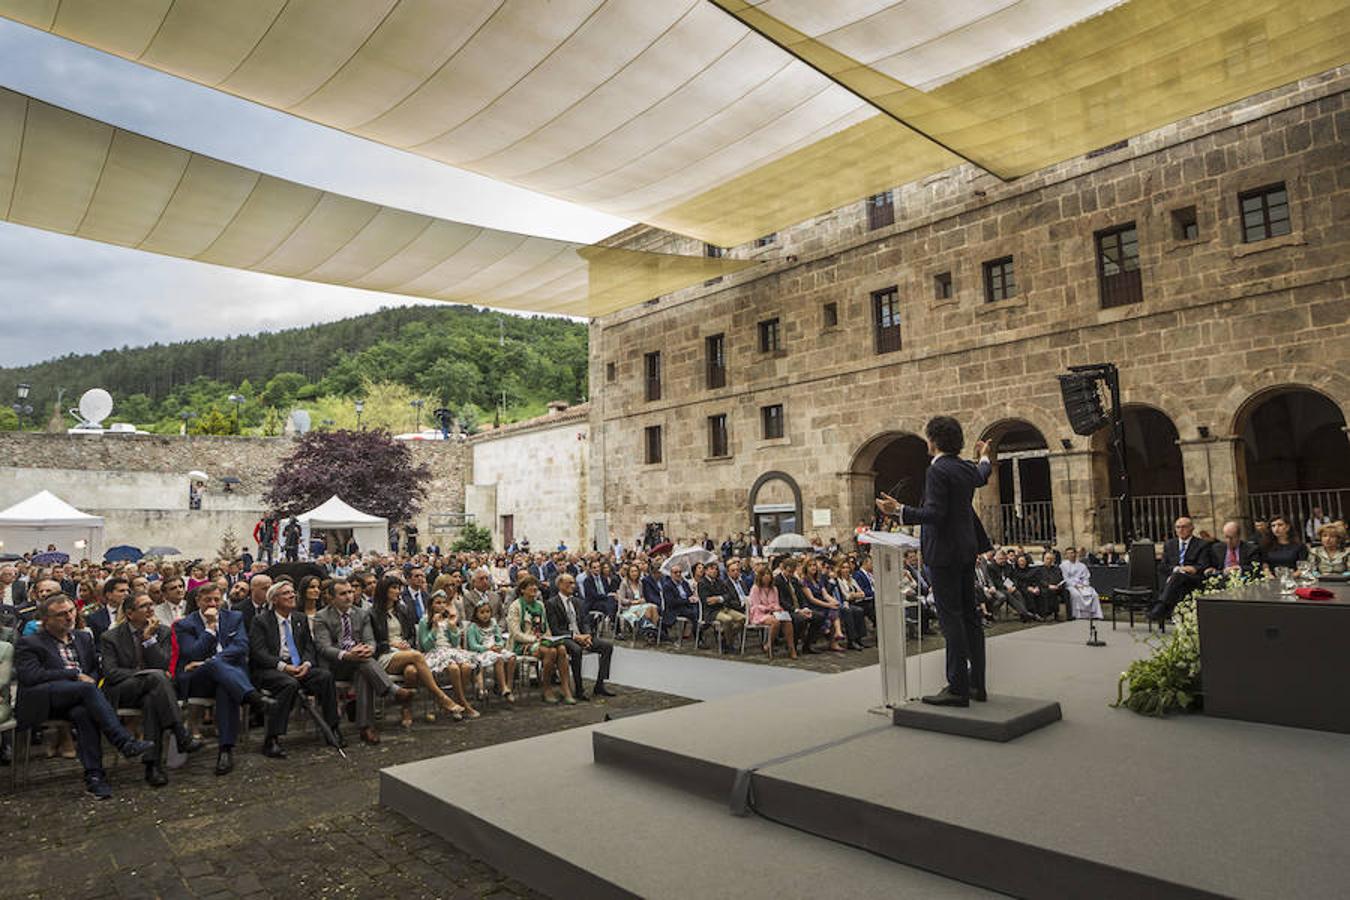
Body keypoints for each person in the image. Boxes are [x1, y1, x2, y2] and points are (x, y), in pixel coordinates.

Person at [877, 417, 992, 706]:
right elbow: (982, 474)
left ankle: (957, 688)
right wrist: (985, 456)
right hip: (966, 550)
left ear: (933, 441)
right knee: (970, 617)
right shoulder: (965, 468)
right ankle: (977, 683)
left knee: (950, 618)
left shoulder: (938, 470)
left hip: (944, 554)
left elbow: (935, 514)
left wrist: (899, 510)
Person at [16, 594, 156, 798]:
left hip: (80, 698)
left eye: (71, 611)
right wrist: (72, 675)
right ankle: (123, 742)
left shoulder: (83, 637)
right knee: (88, 690)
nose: (69, 617)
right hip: (45, 697)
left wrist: (85, 678)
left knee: (84, 712)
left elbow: (93, 670)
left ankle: (94, 777)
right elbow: (30, 676)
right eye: (61, 614)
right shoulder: (30, 642)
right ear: (46, 619)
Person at [100, 592, 205, 786]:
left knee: (152, 701)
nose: (150, 609)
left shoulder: (162, 632)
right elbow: (111, 673)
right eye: (144, 606)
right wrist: (146, 675)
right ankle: (179, 731)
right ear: (130, 613)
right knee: (156, 678)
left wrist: (149, 640)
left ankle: (153, 766)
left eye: (151, 605)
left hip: (155, 692)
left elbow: (163, 664)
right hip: (123, 690)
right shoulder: (111, 637)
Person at [173, 582, 269, 776]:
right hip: (199, 680)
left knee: (225, 688)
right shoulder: (185, 624)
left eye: (217, 599)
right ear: (198, 600)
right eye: (208, 600)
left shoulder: (234, 617)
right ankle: (252, 697)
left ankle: (225, 750)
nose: (213, 603)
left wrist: (212, 661)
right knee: (216, 669)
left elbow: (241, 646)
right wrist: (209, 628)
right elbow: (192, 652)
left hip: (229, 678)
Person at [312, 579, 415, 743]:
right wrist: (347, 654)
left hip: (360, 661)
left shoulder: (361, 613)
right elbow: (324, 648)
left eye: (350, 592)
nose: (348, 597)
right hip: (336, 664)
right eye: (343, 594)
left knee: (363, 670)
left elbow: (370, 641)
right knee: (363, 663)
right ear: (331, 598)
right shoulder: (321, 617)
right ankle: (393, 691)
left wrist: (368, 649)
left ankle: (366, 727)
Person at [249, 580, 341, 758]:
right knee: (288, 684)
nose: (292, 596)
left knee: (325, 676)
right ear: (274, 599)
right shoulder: (261, 621)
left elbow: (309, 646)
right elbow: (258, 653)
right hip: (271, 669)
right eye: (286, 593)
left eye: (292, 592)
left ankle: (333, 728)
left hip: (299, 665)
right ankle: (272, 739)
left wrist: (306, 664)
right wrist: (284, 667)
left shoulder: (300, 618)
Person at [369, 576, 465, 726]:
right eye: (393, 588)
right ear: (384, 590)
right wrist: (390, 644)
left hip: (405, 654)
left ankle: (406, 710)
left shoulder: (401, 609)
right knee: (416, 655)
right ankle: (441, 697)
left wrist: (406, 644)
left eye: (398, 588)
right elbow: (371, 642)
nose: (397, 591)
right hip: (385, 655)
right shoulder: (372, 613)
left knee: (411, 671)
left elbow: (410, 636)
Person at [546, 574, 616, 700]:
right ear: (560, 585)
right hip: (565, 637)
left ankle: (600, 685)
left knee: (607, 647)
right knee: (576, 650)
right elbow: (555, 630)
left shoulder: (577, 602)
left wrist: (588, 635)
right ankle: (579, 689)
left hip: (582, 635)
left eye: (573, 583)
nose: (573, 586)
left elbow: (585, 622)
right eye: (570, 583)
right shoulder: (552, 603)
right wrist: (575, 636)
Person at [506, 574, 574, 704]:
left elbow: (546, 628)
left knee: (561, 648)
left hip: (542, 641)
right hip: (523, 644)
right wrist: (535, 640)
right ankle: (546, 689)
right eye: (530, 585)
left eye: (535, 585)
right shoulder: (515, 606)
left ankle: (566, 689)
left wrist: (549, 638)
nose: (534, 588)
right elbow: (515, 633)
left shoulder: (540, 605)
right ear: (522, 590)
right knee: (551, 652)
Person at [415, 591, 479, 716]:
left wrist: (453, 627)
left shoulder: (447, 620)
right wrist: (434, 627)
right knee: (454, 668)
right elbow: (425, 645)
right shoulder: (424, 621)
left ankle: (456, 702)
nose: (441, 606)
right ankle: (463, 703)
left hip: (450, 650)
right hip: (434, 652)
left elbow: (454, 643)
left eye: (444, 603)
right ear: (431, 605)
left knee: (466, 667)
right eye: (438, 603)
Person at [1149, 517, 1212, 623]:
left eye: (1184, 527)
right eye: (1178, 527)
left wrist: (1193, 568)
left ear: (1191, 528)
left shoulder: (1201, 544)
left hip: (1192, 579)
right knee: (1176, 576)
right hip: (1174, 578)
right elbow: (1163, 566)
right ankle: (1165, 609)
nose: (1180, 530)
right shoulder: (1170, 544)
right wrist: (1176, 569)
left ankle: (1161, 606)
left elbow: (1204, 565)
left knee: (1178, 577)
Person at [466, 599, 516, 702]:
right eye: (482, 612)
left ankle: (509, 686)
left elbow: (499, 639)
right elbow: (472, 645)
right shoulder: (473, 627)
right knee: (498, 659)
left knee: (512, 657)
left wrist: (499, 646)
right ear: (476, 614)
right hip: (482, 651)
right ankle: (503, 688)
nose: (485, 615)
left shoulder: (493, 623)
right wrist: (488, 648)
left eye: (488, 612)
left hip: (495, 649)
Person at [747, 566, 796, 659]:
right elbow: (755, 605)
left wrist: (777, 608)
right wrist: (768, 608)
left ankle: (791, 647)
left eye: (768, 575)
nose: (767, 577)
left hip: (773, 612)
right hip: (759, 613)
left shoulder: (774, 589)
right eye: (764, 575)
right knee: (775, 622)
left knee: (787, 620)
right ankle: (769, 645)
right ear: (760, 577)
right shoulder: (755, 588)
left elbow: (776, 603)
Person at [698, 560, 747, 650]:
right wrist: (721, 597)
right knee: (728, 619)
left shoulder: (719, 582)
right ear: (706, 571)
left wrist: (718, 598)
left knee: (743, 618)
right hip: (711, 611)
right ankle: (729, 644)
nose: (714, 571)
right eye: (711, 569)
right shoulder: (702, 583)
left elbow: (728, 595)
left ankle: (725, 635)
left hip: (724, 608)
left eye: (716, 569)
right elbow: (707, 601)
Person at [1058, 548, 1103, 621]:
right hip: (1071, 585)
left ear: (1075, 554)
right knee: (1076, 595)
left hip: (1082, 584)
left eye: (1072, 553)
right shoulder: (1063, 566)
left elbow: (1086, 577)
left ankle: (1095, 614)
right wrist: (1074, 585)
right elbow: (1065, 578)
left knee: (1094, 594)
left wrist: (1084, 584)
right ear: (1066, 555)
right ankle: (1078, 615)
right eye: (1069, 553)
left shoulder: (1082, 565)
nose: (1071, 555)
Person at [659, 563, 700, 641]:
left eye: (680, 572)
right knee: (693, 613)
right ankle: (697, 637)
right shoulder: (667, 586)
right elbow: (671, 602)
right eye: (675, 572)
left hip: (686, 606)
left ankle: (693, 633)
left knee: (698, 608)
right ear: (671, 574)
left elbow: (690, 595)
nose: (678, 574)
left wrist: (694, 596)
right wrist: (687, 600)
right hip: (675, 609)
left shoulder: (684, 583)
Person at [617, 561, 660, 636]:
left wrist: (642, 599)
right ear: (629, 573)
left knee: (654, 607)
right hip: (628, 607)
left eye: (636, 571)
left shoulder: (640, 583)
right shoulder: (624, 583)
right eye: (632, 571)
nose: (634, 573)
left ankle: (651, 631)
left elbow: (642, 596)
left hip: (640, 605)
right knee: (650, 608)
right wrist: (633, 602)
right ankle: (651, 631)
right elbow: (621, 599)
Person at [85, 576, 130, 642]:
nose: (126, 594)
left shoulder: (135, 613)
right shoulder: (93, 618)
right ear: (109, 595)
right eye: (121, 591)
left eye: (128, 591)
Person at [1036, 551, 1068, 621]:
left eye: (1051, 559)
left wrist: (1058, 585)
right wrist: (1049, 585)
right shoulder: (1039, 569)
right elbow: (1040, 580)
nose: (1049, 561)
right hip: (1045, 587)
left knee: (1067, 592)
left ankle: (1069, 614)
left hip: (1057, 586)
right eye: (1047, 559)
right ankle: (1048, 614)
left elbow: (1060, 578)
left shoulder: (1057, 569)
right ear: (1043, 559)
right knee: (1047, 592)